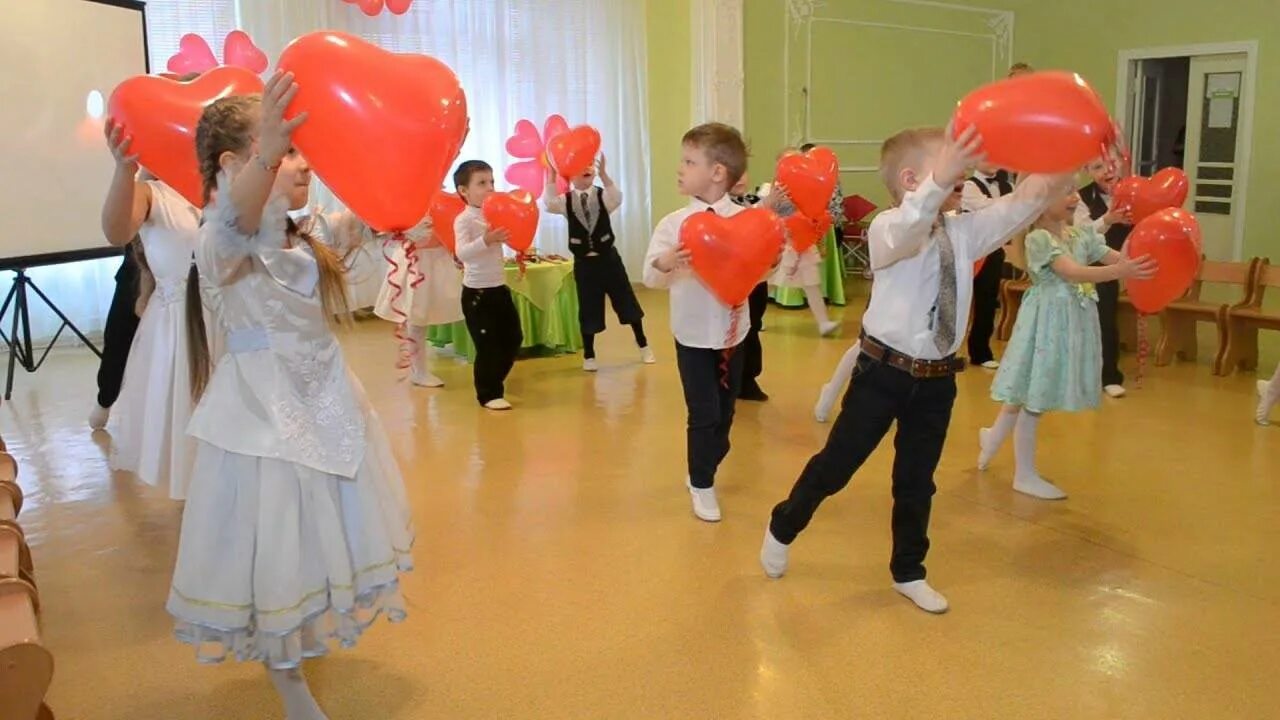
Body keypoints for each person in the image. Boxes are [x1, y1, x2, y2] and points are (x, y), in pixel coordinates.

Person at [169, 76, 414, 720]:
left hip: (327, 400)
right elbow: (233, 221)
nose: (301, 162)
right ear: (234, 165)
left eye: (298, 150)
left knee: (322, 530)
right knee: (275, 538)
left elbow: (384, 210)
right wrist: (267, 154)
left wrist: (422, 159)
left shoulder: (304, 232)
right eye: (282, 151)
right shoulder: (219, 241)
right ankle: (287, 677)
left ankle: (306, 623)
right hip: (263, 418)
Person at [760, 124, 1074, 613]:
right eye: (947, 165)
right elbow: (911, 226)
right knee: (836, 467)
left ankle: (909, 569)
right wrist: (936, 185)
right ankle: (784, 524)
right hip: (881, 376)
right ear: (911, 179)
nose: (961, 172)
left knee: (916, 481)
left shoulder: (964, 230)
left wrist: (1077, 146)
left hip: (937, 381)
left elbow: (1027, 199)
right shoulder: (886, 229)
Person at [978, 190, 1156, 499]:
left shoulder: (1079, 234)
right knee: (1034, 397)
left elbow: (1114, 257)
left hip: (1067, 323)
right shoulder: (1038, 239)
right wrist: (1119, 272)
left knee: (1026, 390)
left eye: (1075, 188)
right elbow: (1071, 272)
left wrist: (1143, 257)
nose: (1074, 196)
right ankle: (1024, 474)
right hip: (1046, 325)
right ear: (1041, 203)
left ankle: (991, 440)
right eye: (1064, 191)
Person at [643, 122, 761, 522]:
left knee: (726, 415)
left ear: (717, 173)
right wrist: (665, 262)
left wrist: (768, 262)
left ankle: (706, 462)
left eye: (690, 161)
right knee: (703, 411)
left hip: (733, 334)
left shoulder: (747, 219)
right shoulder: (674, 223)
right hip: (692, 335)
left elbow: (758, 272)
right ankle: (702, 481)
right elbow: (650, 276)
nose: (680, 168)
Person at [98, 120, 203, 499]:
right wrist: (124, 169)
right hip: (179, 322)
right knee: (187, 410)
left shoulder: (224, 186)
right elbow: (116, 231)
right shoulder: (153, 194)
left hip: (230, 314)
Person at [542, 154, 654, 371]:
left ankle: (643, 344)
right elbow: (548, 203)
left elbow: (618, 197)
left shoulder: (604, 196)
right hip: (585, 265)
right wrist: (552, 176)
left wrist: (605, 175)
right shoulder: (565, 201)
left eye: (589, 166)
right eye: (578, 168)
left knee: (626, 301)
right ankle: (589, 354)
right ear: (570, 176)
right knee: (588, 308)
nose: (586, 169)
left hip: (609, 261)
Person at [454, 160, 523, 410]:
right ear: (464, 191)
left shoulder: (494, 213)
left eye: (492, 182)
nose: (490, 187)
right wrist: (485, 239)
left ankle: (494, 380)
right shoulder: (465, 220)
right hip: (477, 294)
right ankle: (489, 393)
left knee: (514, 338)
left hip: (499, 289)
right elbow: (462, 253)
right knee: (488, 346)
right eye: (482, 183)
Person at [373, 212, 464, 388]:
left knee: (422, 313)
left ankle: (419, 369)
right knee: (416, 313)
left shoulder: (440, 203)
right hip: (417, 261)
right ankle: (418, 370)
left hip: (436, 260)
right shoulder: (409, 205)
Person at [1075, 156, 1135, 398]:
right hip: (1096, 264)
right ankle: (1095, 374)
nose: (1107, 171)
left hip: (1129, 261)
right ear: (1087, 170)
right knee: (1099, 318)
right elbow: (1080, 233)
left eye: (1110, 164)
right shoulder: (1081, 198)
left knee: (1107, 321)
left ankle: (1109, 374)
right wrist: (1107, 219)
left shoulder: (1134, 191)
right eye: (1097, 167)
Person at [961, 163, 1015, 369]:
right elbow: (989, 209)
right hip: (970, 251)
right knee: (961, 301)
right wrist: (1014, 201)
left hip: (995, 251)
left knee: (988, 301)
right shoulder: (969, 186)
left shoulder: (1007, 186)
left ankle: (981, 352)